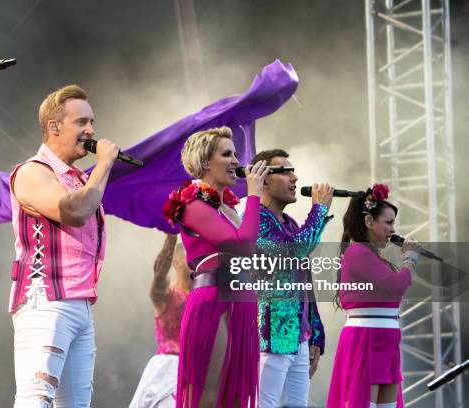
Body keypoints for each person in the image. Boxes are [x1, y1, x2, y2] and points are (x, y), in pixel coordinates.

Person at [9, 85, 118, 407]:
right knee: (35, 399)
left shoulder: (77, 178)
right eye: (82, 122)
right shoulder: (32, 171)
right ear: (54, 127)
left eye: (92, 122)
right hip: (46, 299)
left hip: (79, 303)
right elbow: (73, 212)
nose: (91, 131)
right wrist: (104, 165)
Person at [163, 126, 269, 407]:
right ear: (205, 163)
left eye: (235, 153)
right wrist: (255, 194)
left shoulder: (228, 208)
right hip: (214, 302)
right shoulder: (192, 203)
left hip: (242, 301)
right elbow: (241, 247)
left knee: (236, 397)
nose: (236, 160)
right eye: (227, 154)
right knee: (207, 396)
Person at [249, 149, 332, 408]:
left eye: (293, 170)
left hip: (299, 335)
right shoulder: (256, 221)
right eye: (285, 171)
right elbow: (292, 252)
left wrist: (316, 334)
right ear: (263, 179)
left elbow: (306, 284)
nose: (295, 178)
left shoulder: (290, 223)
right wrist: (318, 210)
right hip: (273, 334)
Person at [327, 183, 420, 408]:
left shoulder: (375, 257)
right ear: (369, 221)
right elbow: (397, 286)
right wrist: (410, 259)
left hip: (387, 335)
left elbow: (393, 293)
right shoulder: (357, 251)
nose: (392, 229)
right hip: (365, 337)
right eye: (388, 222)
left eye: (393, 223)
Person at [129, 234, 192, 408]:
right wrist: (171, 237)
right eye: (190, 255)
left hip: (197, 373)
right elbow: (159, 275)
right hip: (167, 371)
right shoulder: (166, 297)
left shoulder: (208, 299)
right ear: (177, 263)